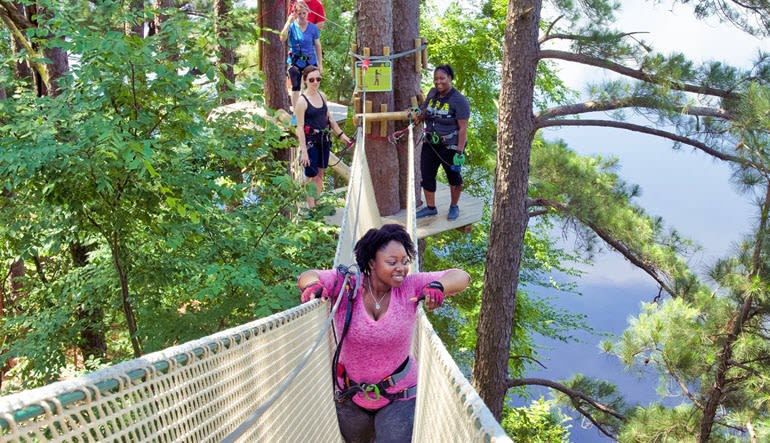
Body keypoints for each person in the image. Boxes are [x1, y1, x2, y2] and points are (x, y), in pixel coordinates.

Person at [297, 224, 471, 442]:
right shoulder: (347, 285)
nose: (401, 268)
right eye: (392, 262)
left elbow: (461, 276)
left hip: (400, 395)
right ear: (372, 262)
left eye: (405, 261)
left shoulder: (410, 286)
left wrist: (437, 286)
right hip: (352, 397)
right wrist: (314, 286)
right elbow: (307, 276)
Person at [411, 64, 470, 221]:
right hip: (430, 143)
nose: (438, 82)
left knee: (454, 177)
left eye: (442, 78)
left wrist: (459, 151)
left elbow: (463, 129)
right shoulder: (432, 93)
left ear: (450, 78)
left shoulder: (459, 100)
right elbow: (424, 111)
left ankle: (454, 206)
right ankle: (431, 208)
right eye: (436, 78)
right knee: (427, 175)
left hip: (450, 146)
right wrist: (417, 113)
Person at [295, 66, 351, 207]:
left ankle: (317, 203)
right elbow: (299, 127)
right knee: (311, 175)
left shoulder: (322, 96)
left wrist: (341, 135)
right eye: (312, 79)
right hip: (310, 142)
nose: (315, 82)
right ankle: (311, 207)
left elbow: (329, 118)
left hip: (323, 140)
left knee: (320, 174)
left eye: (318, 79)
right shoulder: (302, 102)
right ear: (306, 81)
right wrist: (304, 152)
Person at [280, 0, 322, 117]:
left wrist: (320, 64)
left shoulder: (313, 28)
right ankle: (296, 114)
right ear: (295, 14)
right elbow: (282, 38)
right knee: (296, 86)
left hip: (310, 60)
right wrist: (288, 22)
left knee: (312, 84)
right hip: (295, 60)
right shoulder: (292, 27)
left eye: (304, 13)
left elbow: (318, 45)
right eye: (299, 14)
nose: (302, 16)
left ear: (308, 13)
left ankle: (312, 110)